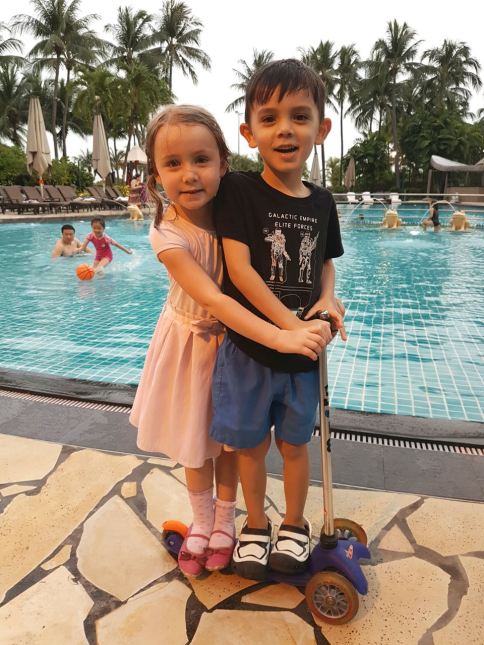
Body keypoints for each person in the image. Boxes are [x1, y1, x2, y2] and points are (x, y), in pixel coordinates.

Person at [129, 105, 329, 579]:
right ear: (156, 175)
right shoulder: (167, 232)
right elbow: (215, 299)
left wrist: (325, 297)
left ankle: (226, 522)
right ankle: (204, 523)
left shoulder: (237, 208)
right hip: (192, 344)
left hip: (238, 346)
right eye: (173, 164)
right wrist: (283, 335)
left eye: (201, 160)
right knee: (196, 440)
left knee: (231, 441)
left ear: (224, 163)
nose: (189, 174)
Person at [209, 58, 347, 580]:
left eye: (299, 116)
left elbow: (326, 262)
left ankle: (293, 522)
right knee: (250, 446)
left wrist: (327, 300)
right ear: (249, 133)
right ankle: (255, 524)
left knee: (294, 444)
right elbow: (240, 271)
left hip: (302, 357)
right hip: (248, 350)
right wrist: (288, 327)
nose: (284, 129)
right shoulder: (239, 191)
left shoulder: (323, 202)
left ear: (321, 129)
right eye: (269, 118)